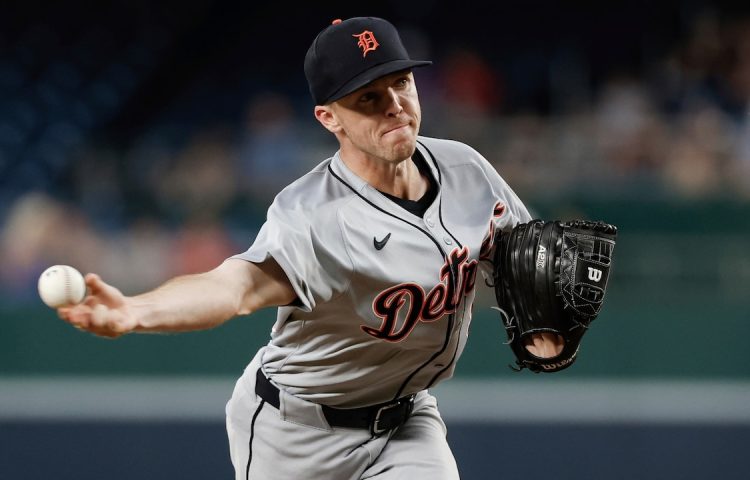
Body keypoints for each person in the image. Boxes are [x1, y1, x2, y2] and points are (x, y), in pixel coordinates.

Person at [58, 16, 562, 479]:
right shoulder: (312, 215)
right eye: (367, 97)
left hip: (407, 423)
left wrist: (543, 320)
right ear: (329, 118)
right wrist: (136, 311)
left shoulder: (466, 169)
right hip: (296, 435)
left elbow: (525, 256)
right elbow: (234, 287)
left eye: (401, 82)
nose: (394, 104)